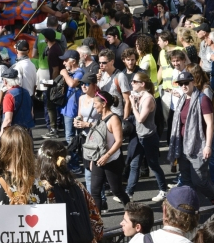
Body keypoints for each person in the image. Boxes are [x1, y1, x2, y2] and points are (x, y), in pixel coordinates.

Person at [168, 70, 214, 202]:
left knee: (199, 180)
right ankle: (191, 205)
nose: (183, 86)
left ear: (193, 82)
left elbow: (210, 124)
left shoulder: (202, 99)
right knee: (187, 179)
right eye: (180, 83)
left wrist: (208, 146)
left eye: (186, 83)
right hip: (182, 145)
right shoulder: (182, 99)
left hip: (198, 146)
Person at [126, 72, 167, 201]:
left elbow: (141, 119)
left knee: (153, 165)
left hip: (149, 137)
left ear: (142, 84)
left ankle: (163, 190)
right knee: (134, 164)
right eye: (132, 81)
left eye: (134, 81)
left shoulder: (148, 98)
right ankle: (129, 193)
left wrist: (133, 104)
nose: (132, 83)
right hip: (139, 136)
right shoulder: (140, 96)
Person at [88, 90, 129, 212]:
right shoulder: (100, 118)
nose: (94, 106)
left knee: (117, 191)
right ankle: (97, 222)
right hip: (98, 160)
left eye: (96, 103)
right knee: (95, 191)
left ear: (104, 103)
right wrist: (92, 159)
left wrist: (106, 156)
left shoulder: (114, 119)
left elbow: (119, 141)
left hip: (112, 160)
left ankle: (131, 212)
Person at [59, 49, 83, 174]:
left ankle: (75, 165)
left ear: (73, 61)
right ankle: (75, 162)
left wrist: (64, 74)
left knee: (71, 138)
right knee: (72, 137)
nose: (64, 63)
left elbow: (73, 84)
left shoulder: (79, 72)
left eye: (66, 60)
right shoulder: (69, 72)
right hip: (67, 109)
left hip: (73, 111)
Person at [0, 67, 34, 146]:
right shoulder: (26, 92)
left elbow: (8, 120)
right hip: (27, 132)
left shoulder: (9, 96)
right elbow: (32, 113)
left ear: (6, 81)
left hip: (15, 135)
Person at [98, 49, 131, 119]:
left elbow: (127, 100)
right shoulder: (101, 75)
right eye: (99, 62)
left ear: (112, 62)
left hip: (117, 115)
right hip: (104, 116)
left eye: (104, 63)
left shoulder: (120, 76)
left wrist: (125, 119)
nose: (101, 65)